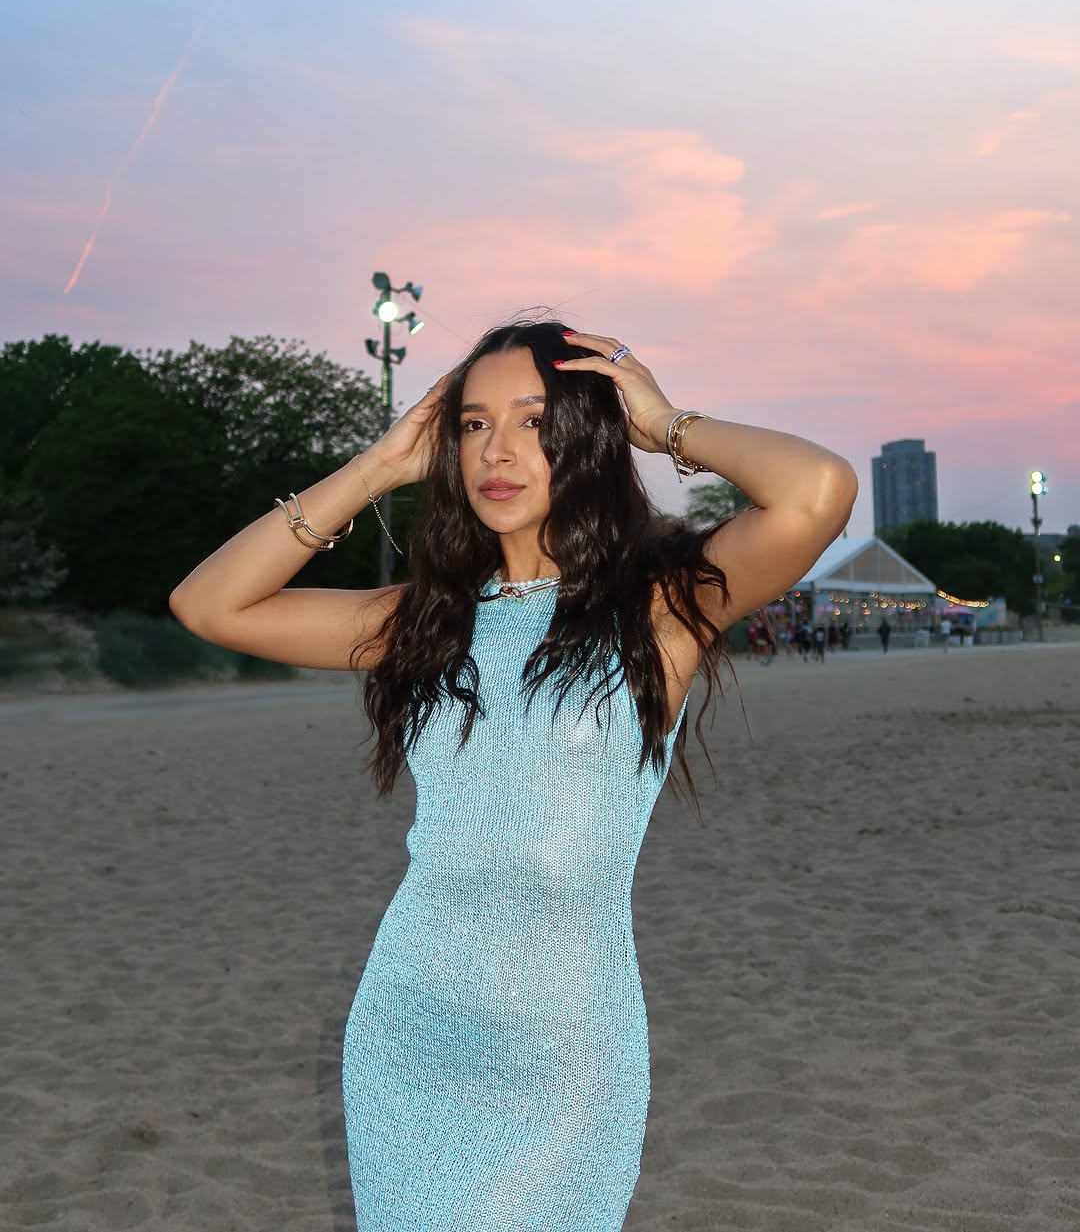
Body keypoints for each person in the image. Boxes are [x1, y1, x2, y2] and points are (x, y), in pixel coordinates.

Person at [169, 319, 857, 1231]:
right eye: (473, 424)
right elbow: (207, 603)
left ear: (588, 437)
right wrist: (379, 465)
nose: (497, 450)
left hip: (564, 1052)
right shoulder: (424, 621)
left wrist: (662, 424)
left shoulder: (657, 608)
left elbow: (819, 491)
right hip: (410, 1026)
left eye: (534, 420)